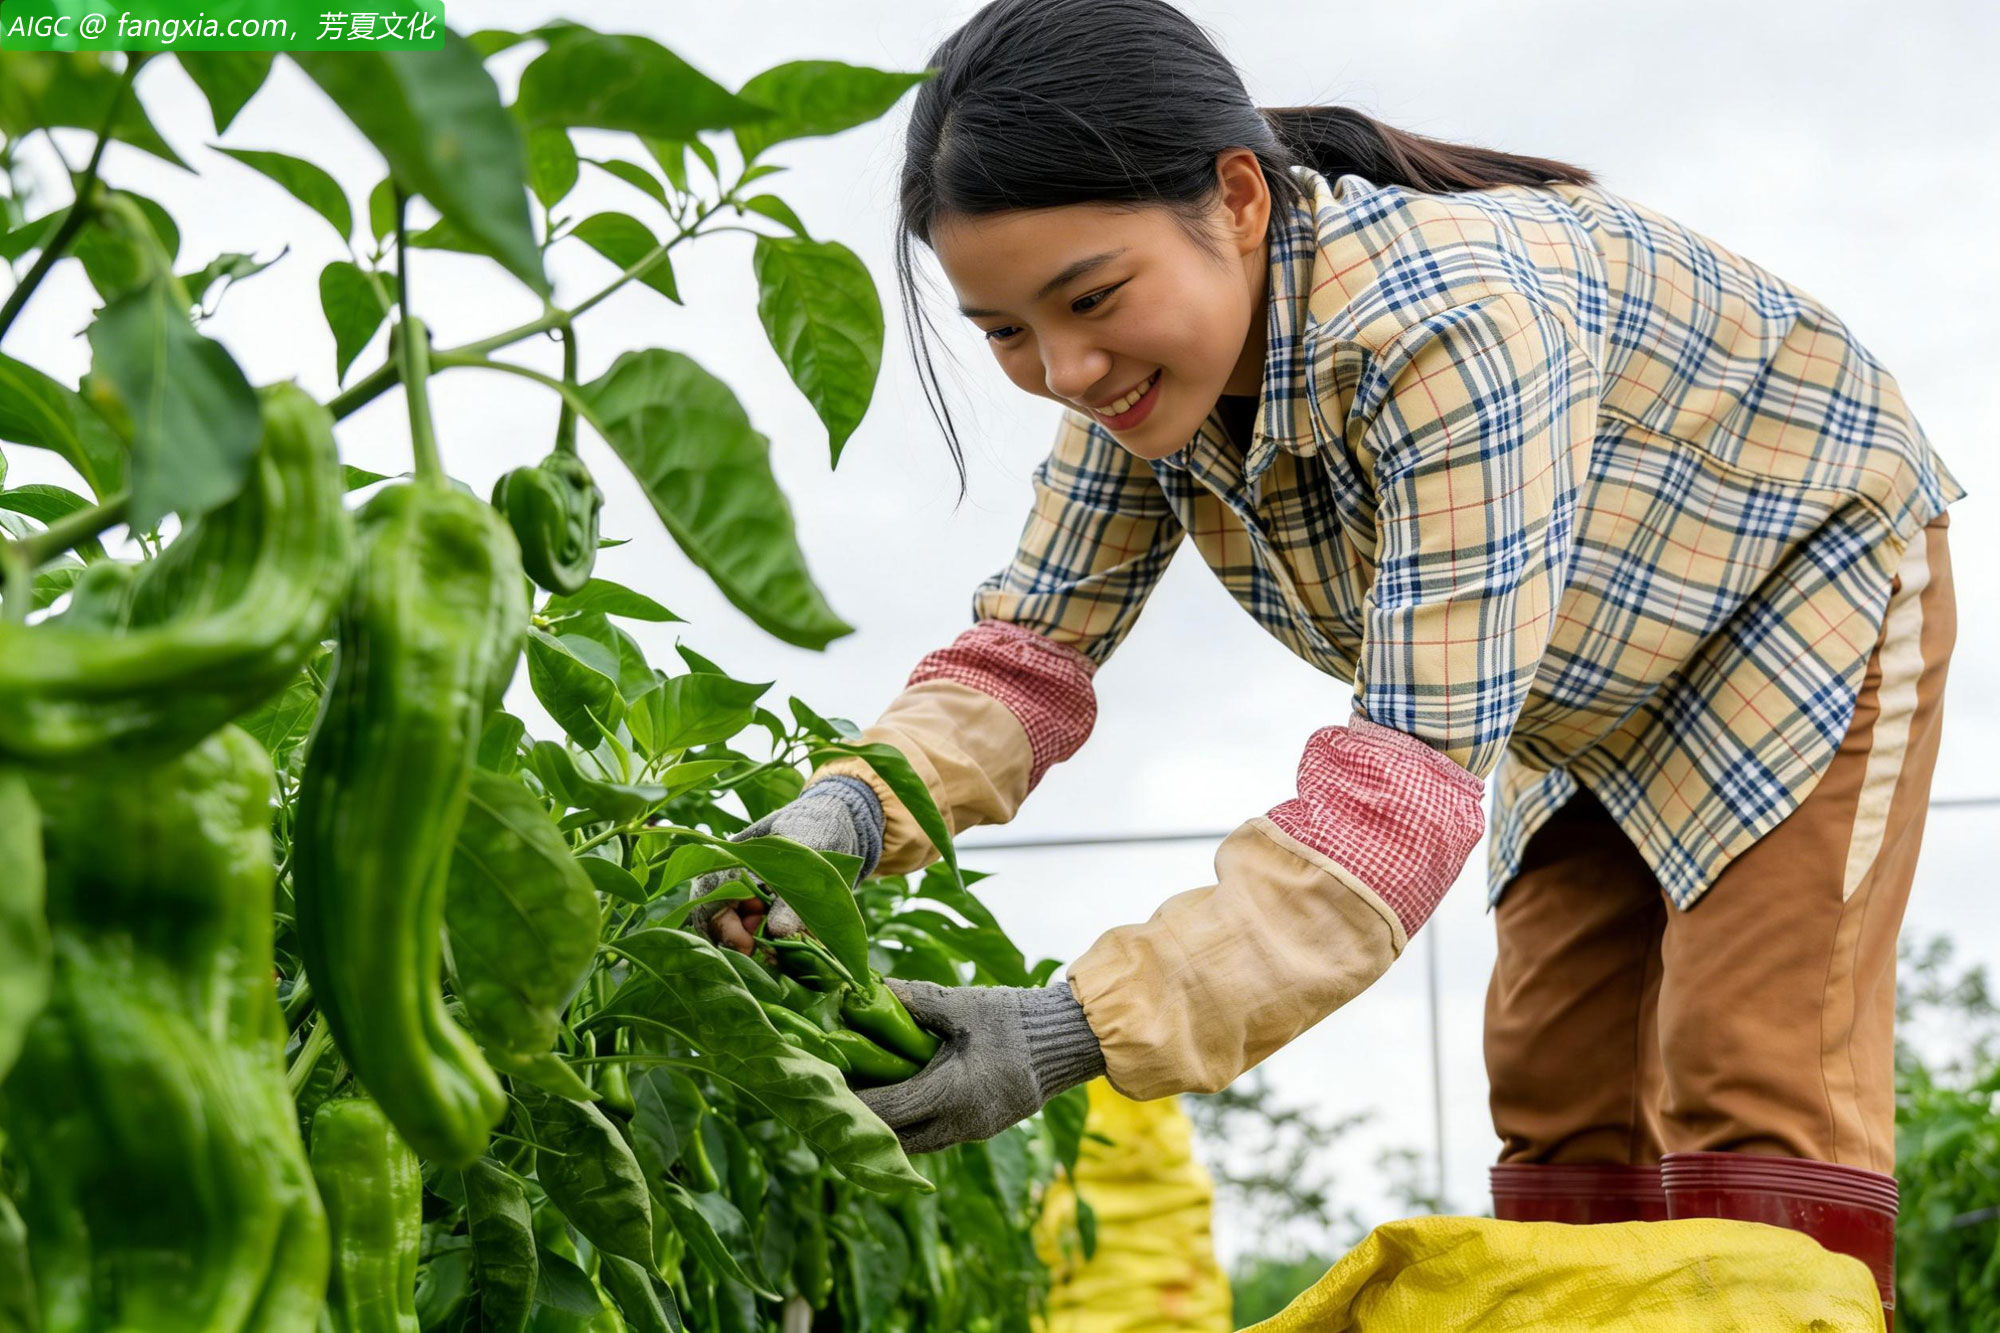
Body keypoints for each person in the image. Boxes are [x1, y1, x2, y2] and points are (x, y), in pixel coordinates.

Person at [691, 0, 1963, 1318]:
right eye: (1005, 329)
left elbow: (1385, 816)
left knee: (1746, 1076)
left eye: (1091, 297)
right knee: (1553, 1082)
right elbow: (1021, 661)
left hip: (1793, 584)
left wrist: (1061, 1030)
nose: (1065, 367)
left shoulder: (1451, 337)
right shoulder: (1138, 393)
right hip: (1579, 673)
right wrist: (837, 814)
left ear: (1236, 198)